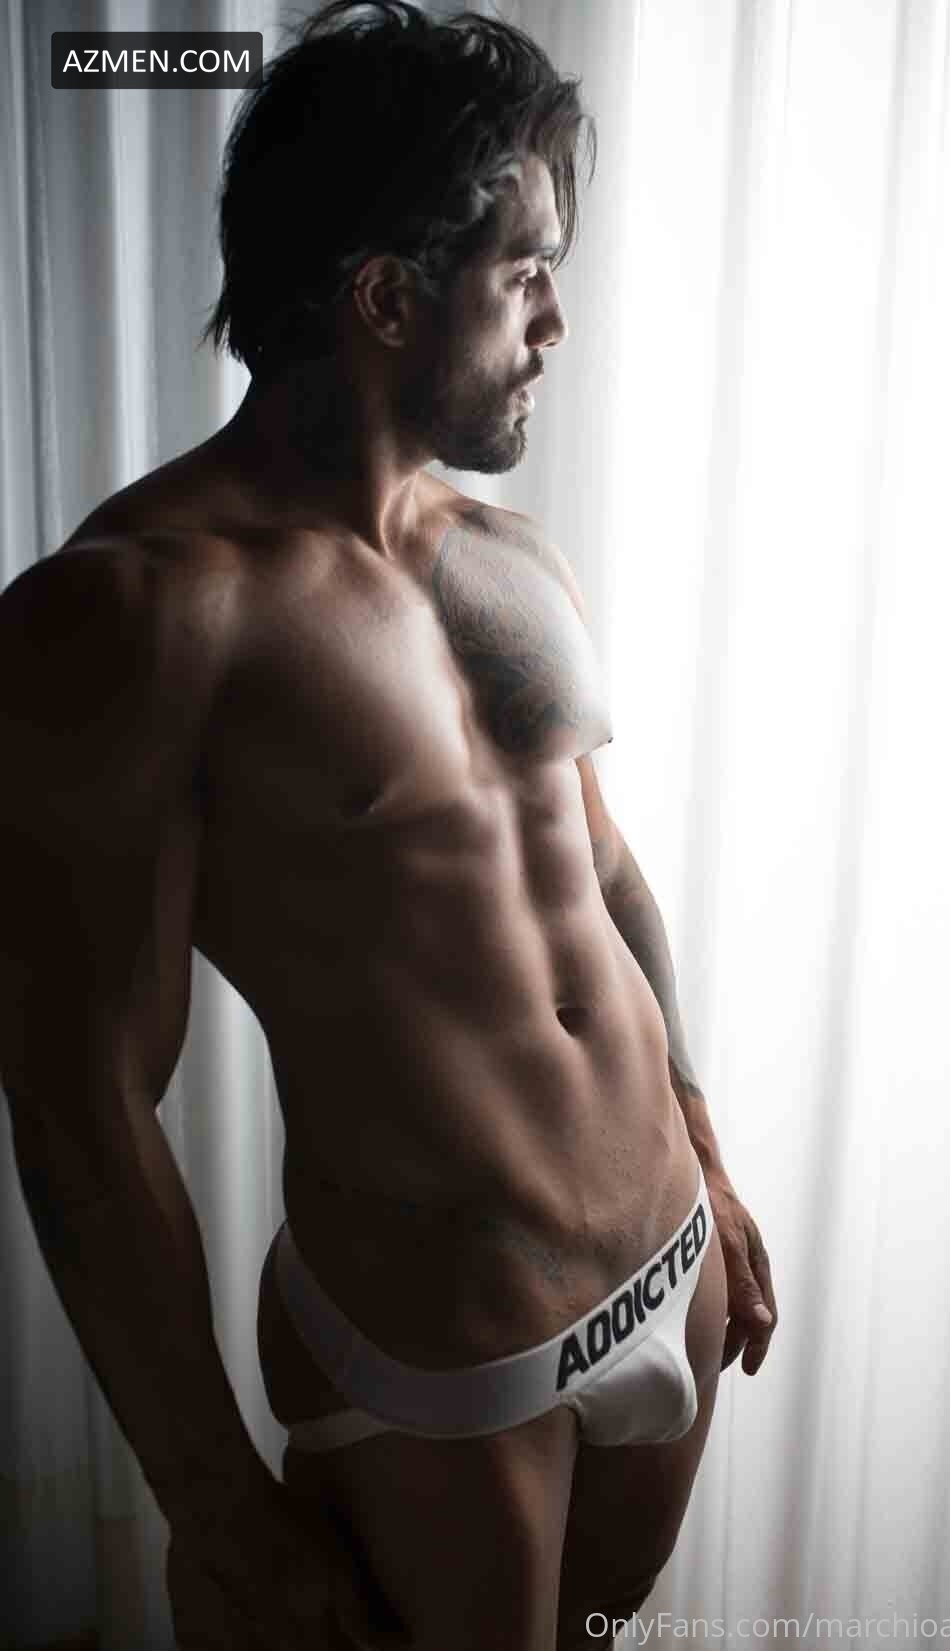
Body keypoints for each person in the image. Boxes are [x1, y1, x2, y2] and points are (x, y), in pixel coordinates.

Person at [0, 3, 777, 1646]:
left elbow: (600, 873)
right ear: (383, 297)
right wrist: (223, 1516)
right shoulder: (139, 615)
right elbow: (81, 1101)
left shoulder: (506, 555)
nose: (557, 319)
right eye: (524, 272)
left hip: (668, 1260)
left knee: (598, 1626)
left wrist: (704, 1146)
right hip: (445, 1361)